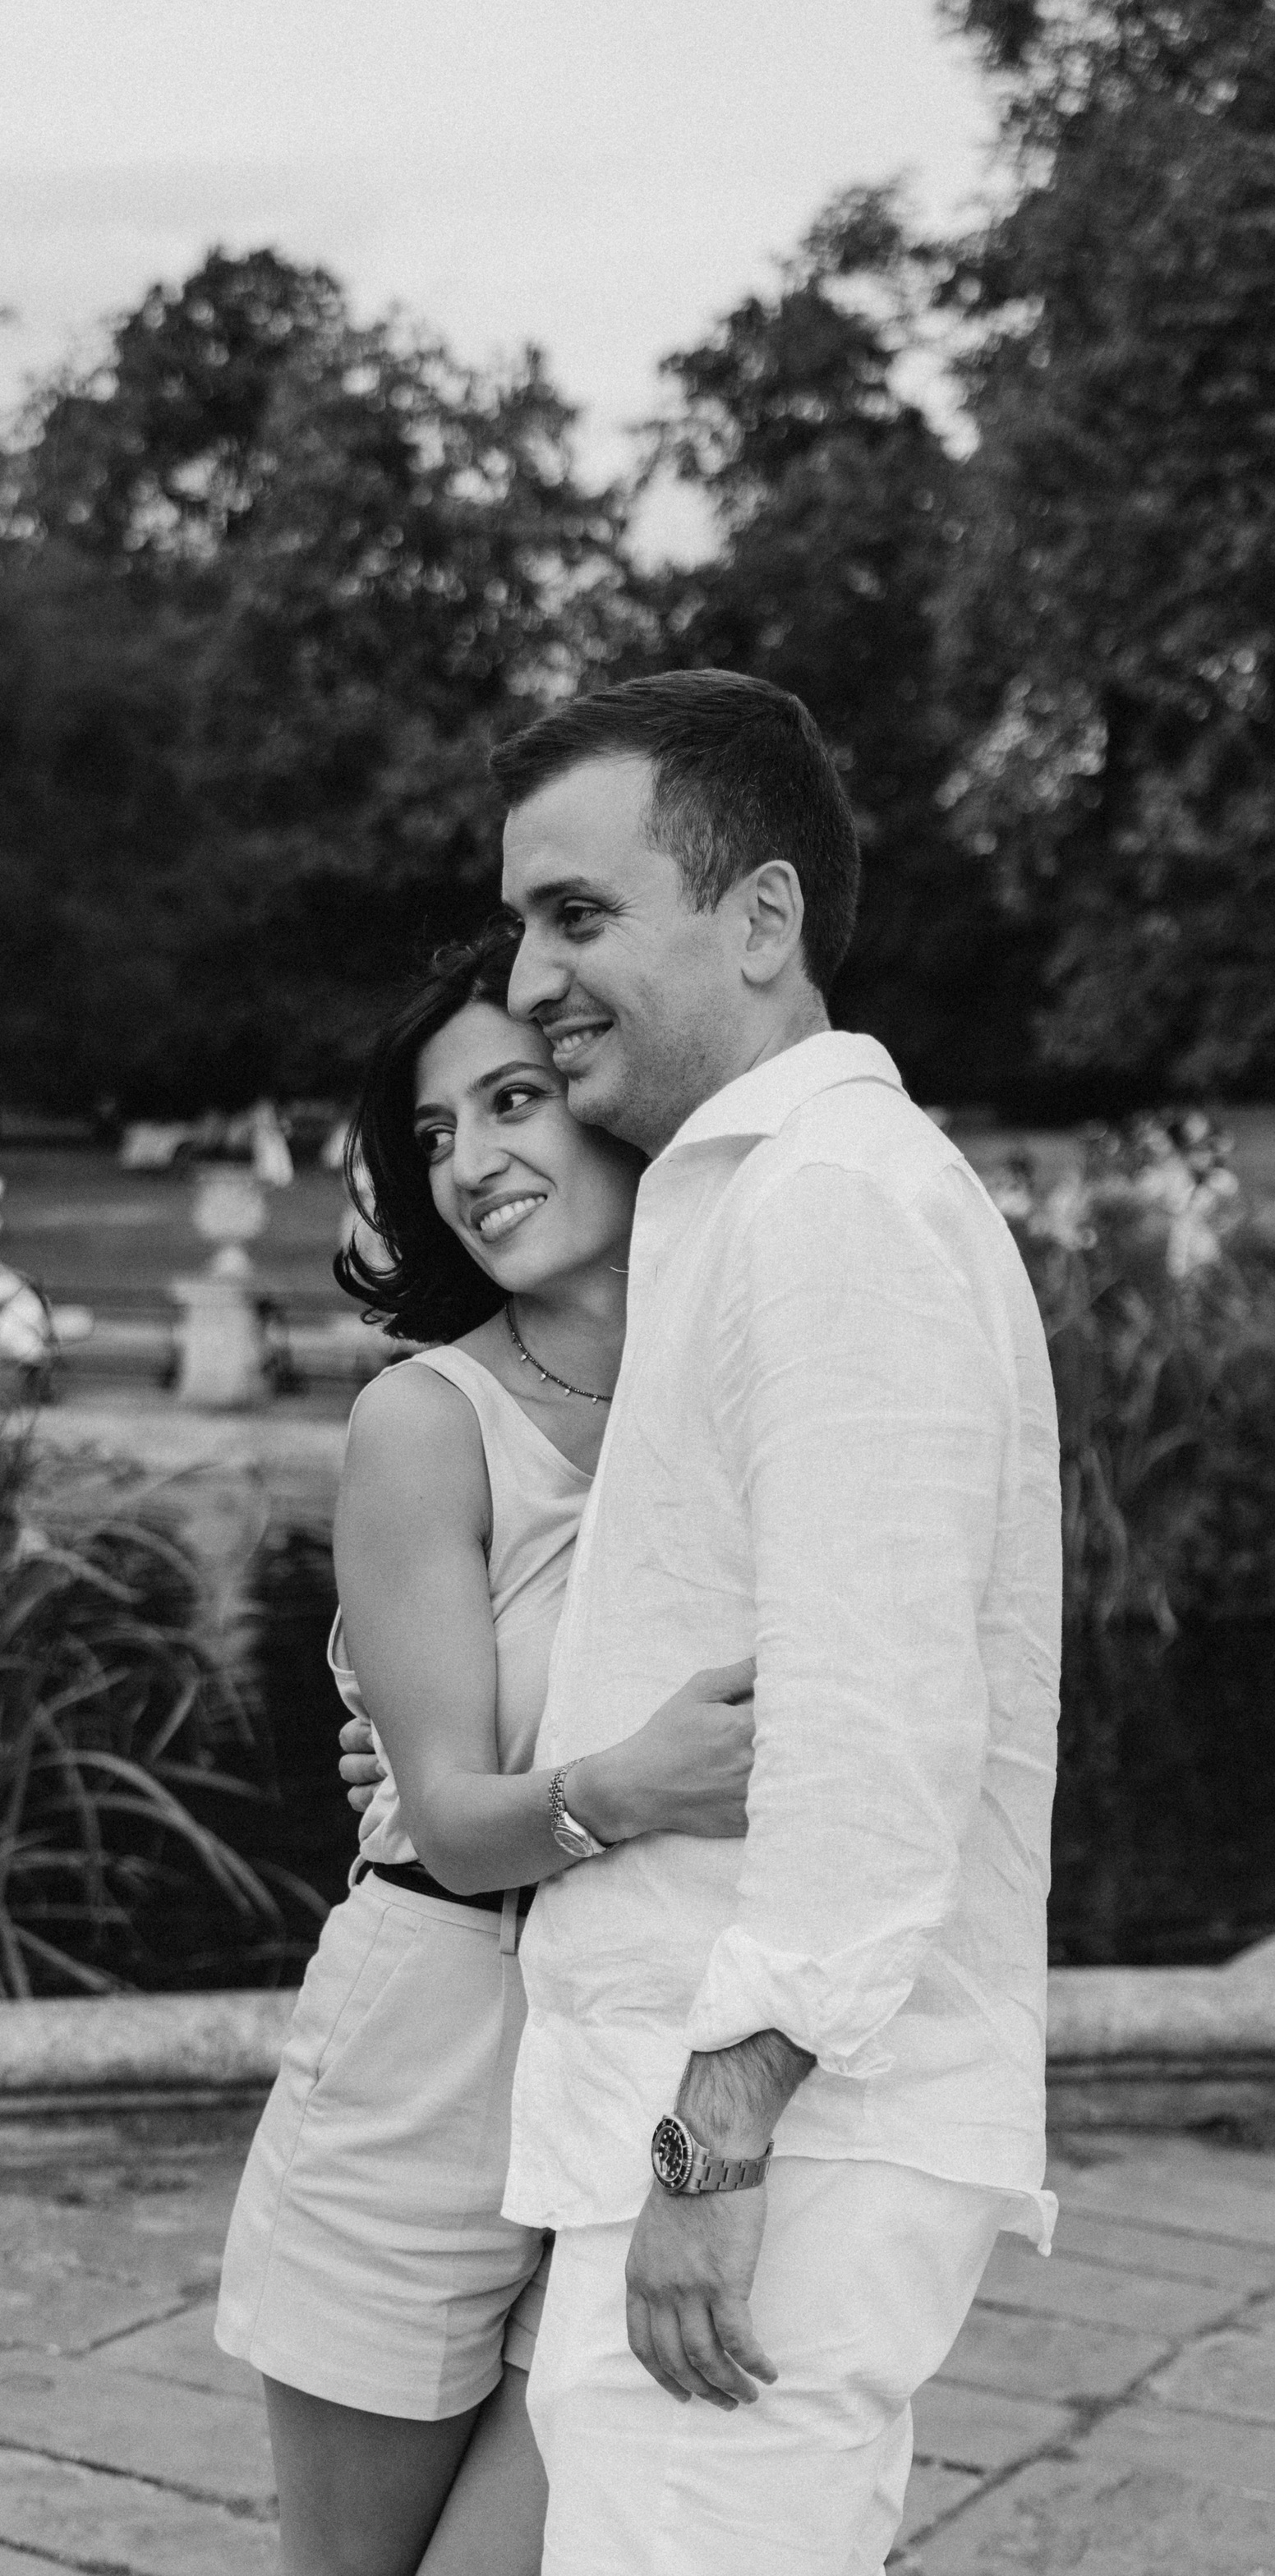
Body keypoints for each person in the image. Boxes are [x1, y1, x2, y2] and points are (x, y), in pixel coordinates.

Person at [487, 670, 1059, 2576]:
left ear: (757, 917)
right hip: (723, 2123)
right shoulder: (749, 1198)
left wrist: (709, 2147)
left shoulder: (830, 1203)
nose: (525, 975)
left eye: (574, 914)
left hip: (777, 2146)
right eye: (519, 924)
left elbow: (879, 1713)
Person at [216, 923, 757, 2576]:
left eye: (512, 1098)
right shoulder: (423, 1418)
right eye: (432, 1133)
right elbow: (444, 1819)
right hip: (431, 2059)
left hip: (643, 2071)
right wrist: (631, 1780)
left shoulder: (746, 1381)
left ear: (610, 1094)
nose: (467, 1160)